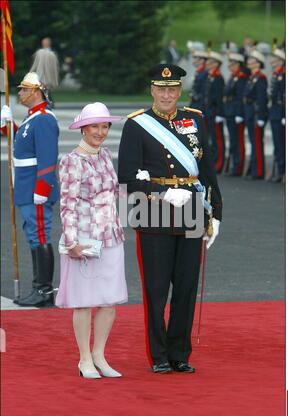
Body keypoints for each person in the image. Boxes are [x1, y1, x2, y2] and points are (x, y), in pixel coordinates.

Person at [118, 64, 222, 374]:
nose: (167, 94)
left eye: (172, 89)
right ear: (151, 89)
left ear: (180, 91)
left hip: (191, 207)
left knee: (187, 286)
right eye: (161, 89)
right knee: (156, 286)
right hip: (152, 210)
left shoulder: (196, 120)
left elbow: (208, 170)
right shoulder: (137, 125)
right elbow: (126, 176)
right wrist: (160, 193)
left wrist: (216, 213)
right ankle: (159, 354)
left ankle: (180, 353)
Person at [55, 103, 128, 379]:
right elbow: (68, 204)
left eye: (104, 126)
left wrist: (149, 196)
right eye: (95, 126)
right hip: (84, 240)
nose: (100, 132)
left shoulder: (106, 155)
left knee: (109, 301)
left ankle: (99, 354)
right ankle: (84, 358)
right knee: (84, 301)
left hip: (111, 236)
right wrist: (72, 242)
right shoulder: (72, 161)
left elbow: (114, 194)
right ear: (83, 129)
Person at [1, 72, 59, 307]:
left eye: (24, 90)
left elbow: (47, 157)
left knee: (40, 234)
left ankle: (44, 291)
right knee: (33, 235)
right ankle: (39, 289)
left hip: (36, 188)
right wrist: (7, 126)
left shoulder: (44, 118)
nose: (20, 93)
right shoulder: (33, 117)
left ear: (36, 92)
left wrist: (42, 188)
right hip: (27, 186)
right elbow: (23, 143)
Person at [243, 50, 268, 179]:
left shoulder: (260, 78)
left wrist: (261, 116)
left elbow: (262, 98)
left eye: (251, 59)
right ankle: (253, 168)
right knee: (253, 142)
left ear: (258, 63)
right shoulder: (252, 77)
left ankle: (258, 171)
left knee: (257, 143)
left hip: (256, 114)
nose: (248, 61)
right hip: (250, 113)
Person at [223, 53, 248, 176]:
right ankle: (233, 165)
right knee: (233, 140)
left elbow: (240, 97)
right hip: (229, 112)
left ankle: (238, 166)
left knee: (238, 140)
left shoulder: (241, 77)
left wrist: (239, 113)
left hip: (235, 113)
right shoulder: (233, 76)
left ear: (238, 64)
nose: (229, 66)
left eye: (231, 64)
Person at [203, 51, 226, 173]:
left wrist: (220, 114)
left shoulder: (218, 78)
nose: (208, 63)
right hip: (208, 112)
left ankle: (219, 163)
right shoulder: (210, 76)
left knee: (218, 139)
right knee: (211, 139)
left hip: (215, 113)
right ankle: (213, 161)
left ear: (216, 64)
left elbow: (219, 98)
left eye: (210, 62)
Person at [268, 48, 286, 183]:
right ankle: (279, 171)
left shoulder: (283, 75)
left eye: (274, 59)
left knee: (281, 144)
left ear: (280, 61)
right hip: (274, 113)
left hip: (280, 113)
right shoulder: (276, 74)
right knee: (277, 144)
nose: (272, 61)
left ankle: (283, 171)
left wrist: (285, 115)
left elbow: (286, 96)